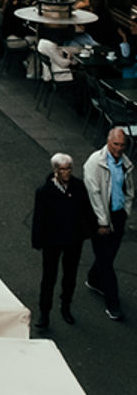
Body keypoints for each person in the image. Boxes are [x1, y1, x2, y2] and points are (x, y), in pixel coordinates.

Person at [31, 152, 94, 328]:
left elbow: (86, 210)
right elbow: (39, 218)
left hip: (73, 240)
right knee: (49, 277)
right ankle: (44, 313)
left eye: (69, 169)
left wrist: (89, 229)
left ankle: (66, 306)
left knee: (70, 276)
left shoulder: (78, 186)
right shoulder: (45, 191)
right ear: (55, 170)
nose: (66, 173)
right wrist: (37, 240)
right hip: (52, 241)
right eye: (63, 169)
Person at [83, 128, 134, 321]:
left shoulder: (125, 163)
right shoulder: (94, 163)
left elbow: (129, 189)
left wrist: (126, 210)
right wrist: (103, 222)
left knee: (109, 255)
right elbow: (95, 195)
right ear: (108, 142)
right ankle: (113, 304)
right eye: (115, 144)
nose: (119, 149)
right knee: (106, 261)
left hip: (118, 215)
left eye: (122, 145)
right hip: (99, 219)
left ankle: (93, 279)